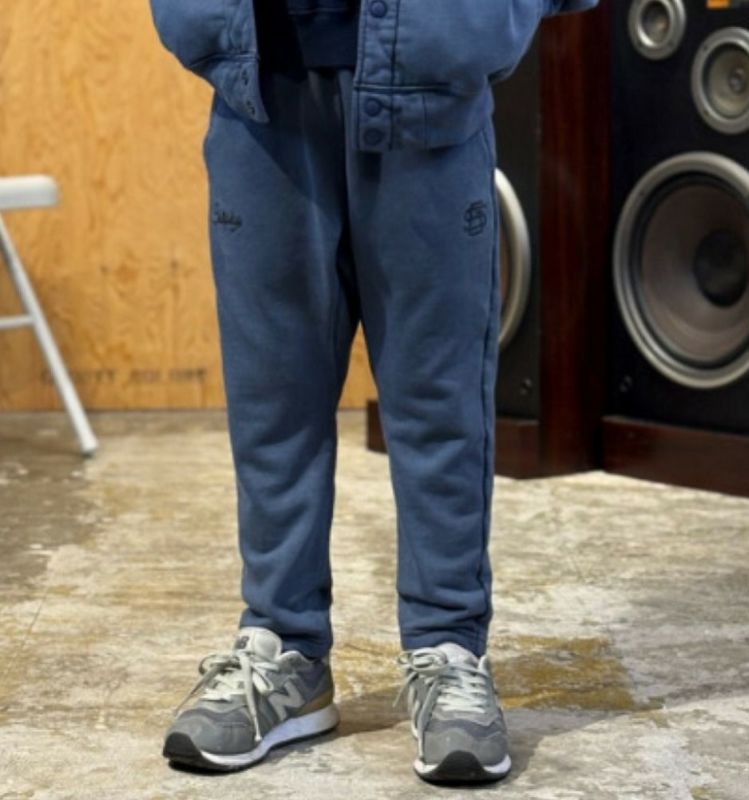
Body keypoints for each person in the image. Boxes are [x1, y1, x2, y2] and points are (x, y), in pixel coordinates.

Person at [148, 0, 598, 784]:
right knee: (272, 402)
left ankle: (449, 649)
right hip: (261, 86)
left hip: (430, 79)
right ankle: (283, 650)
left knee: (438, 403)